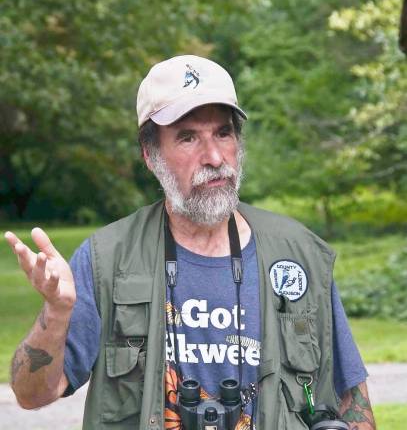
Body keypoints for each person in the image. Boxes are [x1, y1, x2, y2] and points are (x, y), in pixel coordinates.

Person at [5, 55, 376, 430]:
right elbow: (31, 395)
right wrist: (55, 313)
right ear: (150, 156)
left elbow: (353, 403)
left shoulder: (299, 254)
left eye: (223, 133)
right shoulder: (107, 259)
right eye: (187, 137)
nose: (214, 157)